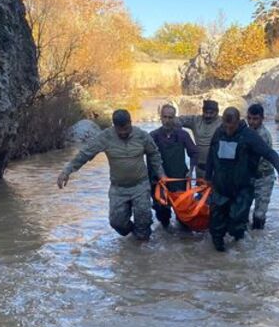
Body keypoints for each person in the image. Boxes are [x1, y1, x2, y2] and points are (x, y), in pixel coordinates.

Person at [57, 109, 165, 241]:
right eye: (120, 130)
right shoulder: (105, 137)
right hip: (118, 188)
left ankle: (141, 246)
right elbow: (85, 153)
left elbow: (154, 154)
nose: (123, 133)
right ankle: (134, 234)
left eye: (126, 129)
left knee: (144, 219)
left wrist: (160, 174)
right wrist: (67, 171)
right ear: (114, 126)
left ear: (130, 123)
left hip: (140, 185)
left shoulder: (142, 136)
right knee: (117, 222)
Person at [205, 107, 279, 251]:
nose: (228, 130)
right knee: (215, 227)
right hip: (221, 187)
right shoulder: (219, 132)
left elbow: (270, 153)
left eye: (231, 127)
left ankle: (239, 255)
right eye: (226, 126)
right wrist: (207, 177)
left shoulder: (249, 136)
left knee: (236, 225)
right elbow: (211, 155)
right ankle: (219, 258)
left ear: (238, 122)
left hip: (242, 188)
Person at [150, 104, 199, 228]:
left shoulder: (183, 135)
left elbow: (194, 153)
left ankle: (183, 237)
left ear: (174, 118)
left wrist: (191, 171)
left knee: (184, 217)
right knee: (163, 216)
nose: (167, 120)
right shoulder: (152, 136)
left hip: (179, 180)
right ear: (160, 117)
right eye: (165, 117)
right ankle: (166, 236)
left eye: (170, 117)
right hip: (159, 182)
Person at [245, 103, 276, 230]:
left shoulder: (263, 135)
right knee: (243, 211)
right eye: (249, 118)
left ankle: (258, 238)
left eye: (255, 119)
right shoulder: (247, 132)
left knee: (259, 215)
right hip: (250, 177)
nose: (251, 122)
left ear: (262, 118)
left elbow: (254, 160)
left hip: (264, 178)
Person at [178, 99, 222, 179]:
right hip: (199, 168)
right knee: (200, 186)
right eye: (206, 112)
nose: (208, 116)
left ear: (217, 112)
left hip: (216, 168)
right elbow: (176, 120)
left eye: (211, 113)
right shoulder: (195, 120)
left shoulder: (222, 122)